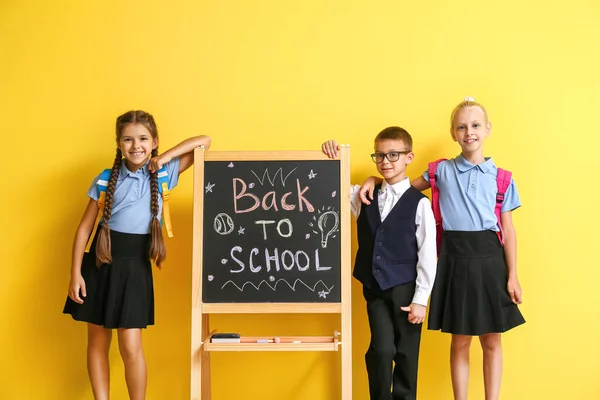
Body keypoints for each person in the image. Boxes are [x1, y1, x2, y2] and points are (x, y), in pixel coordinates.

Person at [360, 98, 525, 400]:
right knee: (460, 339)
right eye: (461, 127)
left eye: (475, 125)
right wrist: (372, 178)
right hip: (454, 258)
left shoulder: (503, 178)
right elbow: (399, 190)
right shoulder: (441, 171)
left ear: (487, 129)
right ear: (453, 133)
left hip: (490, 260)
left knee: (492, 339)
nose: (469, 132)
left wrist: (512, 275)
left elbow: (509, 230)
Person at [63, 110, 211, 400]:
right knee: (97, 342)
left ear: (154, 141)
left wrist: (164, 156)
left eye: (143, 139)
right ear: (119, 144)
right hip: (100, 263)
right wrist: (75, 273)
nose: (136, 146)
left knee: (130, 346)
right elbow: (84, 230)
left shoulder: (164, 174)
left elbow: (204, 142)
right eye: (128, 139)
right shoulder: (106, 179)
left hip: (134, 270)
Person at [322, 126, 436, 400]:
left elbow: (428, 253)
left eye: (393, 155)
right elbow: (329, 183)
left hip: (406, 289)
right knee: (381, 350)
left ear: (409, 157)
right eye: (380, 156)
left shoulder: (420, 204)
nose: (386, 162)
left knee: (407, 353)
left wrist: (421, 299)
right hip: (374, 287)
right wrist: (332, 153)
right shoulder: (364, 196)